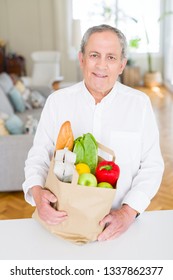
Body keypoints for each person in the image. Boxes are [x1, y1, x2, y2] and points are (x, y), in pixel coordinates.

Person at [23, 24, 164, 241]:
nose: (101, 65)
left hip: (121, 229)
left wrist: (127, 213)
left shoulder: (140, 104)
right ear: (81, 59)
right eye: (94, 55)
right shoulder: (57, 102)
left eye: (111, 57)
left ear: (122, 65)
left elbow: (152, 166)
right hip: (62, 223)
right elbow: (38, 156)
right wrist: (37, 193)